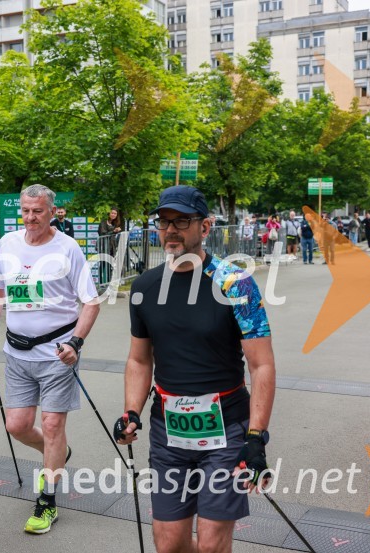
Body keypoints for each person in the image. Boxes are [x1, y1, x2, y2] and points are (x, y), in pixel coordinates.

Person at [114, 185, 275, 553]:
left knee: (211, 544)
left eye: (182, 221)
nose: (171, 229)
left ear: (205, 227)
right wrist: (131, 412)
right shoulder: (144, 287)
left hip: (227, 430)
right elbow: (139, 359)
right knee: (169, 543)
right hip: (168, 430)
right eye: (164, 222)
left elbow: (261, 364)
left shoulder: (236, 283)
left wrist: (256, 436)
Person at [0, 184, 99, 535]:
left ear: (52, 212)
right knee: (16, 425)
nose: (30, 218)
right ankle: (56, 454)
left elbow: (90, 301)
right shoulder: (7, 243)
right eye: (26, 211)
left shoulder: (67, 247)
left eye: (38, 211)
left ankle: (47, 501)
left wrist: (76, 341)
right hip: (16, 351)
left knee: (52, 425)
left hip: (58, 352)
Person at [97, 207, 122, 285]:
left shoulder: (115, 223)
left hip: (112, 246)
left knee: (110, 263)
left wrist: (117, 231)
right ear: (109, 213)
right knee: (103, 264)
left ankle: (108, 282)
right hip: (103, 246)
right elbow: (102, 233)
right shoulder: (103, 222)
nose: (113, 215)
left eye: (115, 213)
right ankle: (101, 283)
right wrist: (113, 231)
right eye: (112, 213)